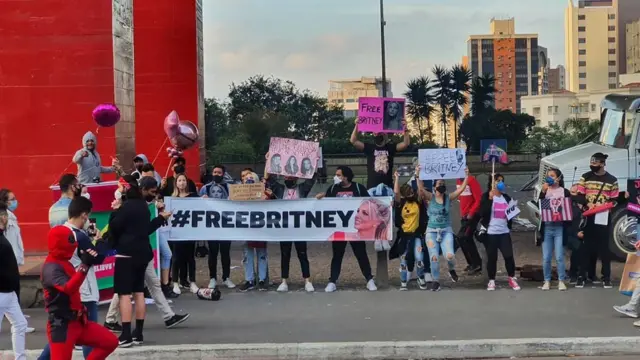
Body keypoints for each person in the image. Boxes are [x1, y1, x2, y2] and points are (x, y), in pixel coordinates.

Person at [39, 196, 107, 359]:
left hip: (68, 290)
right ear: (84, 214)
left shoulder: (62, 231)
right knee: (88, 337)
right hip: (83, 289)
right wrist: (100, 240)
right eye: (88, 215)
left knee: (61, 337)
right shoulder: (79, 236)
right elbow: (98, 257)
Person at [108, 176, 171, 347]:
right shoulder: (144, 207)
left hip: (126, 254)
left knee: (124, 295)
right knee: (139, 292)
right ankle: (138, 333)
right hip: (143, 254)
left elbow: (114, 227)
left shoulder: (126, 207)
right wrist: (160, 219)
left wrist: (115, 210)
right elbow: (146, 229)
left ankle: (126, 334)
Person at [316, 166, 379, 292]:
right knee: (337, 255)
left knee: (361, 254)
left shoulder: (358, 188)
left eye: (339, 175)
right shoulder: (333, 188)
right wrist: (322, 197)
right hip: (339, 229)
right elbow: (327, 202)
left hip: (355, 229)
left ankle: (369, 279)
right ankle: (332, 281)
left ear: (346, 176)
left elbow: (369, 202)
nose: (336, 177)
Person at [264, 153, 316, 293]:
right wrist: (269, 161)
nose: (289, 179)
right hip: (285, 227)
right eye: (286, 177)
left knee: (302, 254)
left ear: (297, 178)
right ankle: (284, 281)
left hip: (299, 227)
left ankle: (307, 280)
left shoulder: (302, 189)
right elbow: (270, 179)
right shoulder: (280, 189)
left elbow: (311, 178)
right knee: (285, 254)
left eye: (292, 177)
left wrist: (314, 163)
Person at [417, 167, 469, 291]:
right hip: (431, 231)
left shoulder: (448, 197)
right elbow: (420, 189)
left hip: (446, 231)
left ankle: (451, 269)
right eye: (439, 184)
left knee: (450, 256)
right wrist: (417, 174)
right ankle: (436, 281)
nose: (442, 186)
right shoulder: (431, 197)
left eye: (443, 184)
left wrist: (466, 176)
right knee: (433, 257)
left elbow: (461, 189)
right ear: (434, 186)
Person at [574, 152, 619, 289]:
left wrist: (604, 206)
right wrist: (588, 205)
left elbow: (615, 200)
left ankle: (606, 277)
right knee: (585, 246)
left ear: (602, 163)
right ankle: (582, 276)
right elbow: (579, 195)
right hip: (589, 215)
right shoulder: (585, 177)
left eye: (596, 163)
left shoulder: (612, 180)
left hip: (603, 216)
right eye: (591, 163)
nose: (593, 165)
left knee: (604, 247)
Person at [0, 189, 35, 333]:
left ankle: (18, 319)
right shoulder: (5, 217)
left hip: (11, 257)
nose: (15, 201)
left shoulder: (10, 217)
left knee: (14, 290)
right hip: (8, 258)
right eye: (12, 199)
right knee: (12, 288)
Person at [479, 174, 520, 291]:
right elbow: (482, 213)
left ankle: (511, 278)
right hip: (491, 232)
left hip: (504, 232)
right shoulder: (486, 196)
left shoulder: (506, 198)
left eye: (501, 180)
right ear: (491, 183)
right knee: (492, 257)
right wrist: (489, 200)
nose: (500, 182)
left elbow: (512, 213)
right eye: (497, 180)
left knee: (508, 256)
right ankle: (491, 280)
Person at [390, 170, 428, 290]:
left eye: (412, 191)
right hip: (404, 236)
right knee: (403, 259)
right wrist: (397, 178)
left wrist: (417, 175)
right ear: (404, 195)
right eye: (409, 192)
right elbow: (396, 193)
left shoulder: (418, 202)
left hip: (416, 235)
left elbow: (421, 191)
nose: (411, 193)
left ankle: (421, 278)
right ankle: (403, 282)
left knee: (419, 258)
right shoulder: (401, 203)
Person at [199, 165, 235, 289]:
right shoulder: (205, 188)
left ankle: (226, 277)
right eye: (214, 172)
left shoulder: (230, 188)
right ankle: (212, 278)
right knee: (213, 253)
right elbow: (197, 206)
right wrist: (202, 200)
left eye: (219, 172)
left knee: (225, 252)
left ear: (223, 174)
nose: (216, 174)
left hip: (226, 224)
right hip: (212, 225)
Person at [0, 204, 28, 360]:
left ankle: (20, 357)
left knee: (20, 324)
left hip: (10, 293)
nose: (6, 218)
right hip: (1, 292)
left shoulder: (4, 236)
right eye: (5, 216)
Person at [350, 118, 410, 189]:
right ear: (374, 133)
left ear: (386, 134)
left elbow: (405, 144)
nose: (380, 133)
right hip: (372, 187)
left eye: (382, 131)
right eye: (378, 132)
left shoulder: (390, 147)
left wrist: (405, 129)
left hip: (387, 187)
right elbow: (353, 141)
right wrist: (357, 125)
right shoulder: (369, 147)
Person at [538, 168, 571, 291]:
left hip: (559, 228)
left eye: (552, 176)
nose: (549, 178)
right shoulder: (545, 191)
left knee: (559, 256)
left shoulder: (564, 192)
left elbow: (569, 209)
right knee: (546, 257)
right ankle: (546, 280)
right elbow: (540, 206)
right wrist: (543, 191)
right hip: (547, 227)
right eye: (548, 176)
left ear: (559, 178)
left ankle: (561, 280)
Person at [239, 171, 270, 292]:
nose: (249, 180)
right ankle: (249, 279)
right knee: (247, 255)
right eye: (246, 178)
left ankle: (262, 279)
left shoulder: (264, 193)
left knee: (262, 255)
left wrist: (268, 196)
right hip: (246, 229)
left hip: (261, 228)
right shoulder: (238, 194)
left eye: (251, 178)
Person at [171, 174, 199, 293]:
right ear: (176, 183)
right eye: (179, 180)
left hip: (190, 232)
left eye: (183, 180)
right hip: (176, 233)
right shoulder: (171, 198)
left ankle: (192, 282)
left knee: (190, 258)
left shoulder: (193, 196)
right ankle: (176, 283)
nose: (182, 183)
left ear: (187, 183)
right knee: (176, 258)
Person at [456, 171, 483, 275]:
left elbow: (478, 199)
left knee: (464, 237)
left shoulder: (471, 180)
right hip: (465, 214)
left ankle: (476, 263)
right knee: (464, 238)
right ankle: (473, 263)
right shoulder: (459, 180)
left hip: (472, 215)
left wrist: (471, 212)